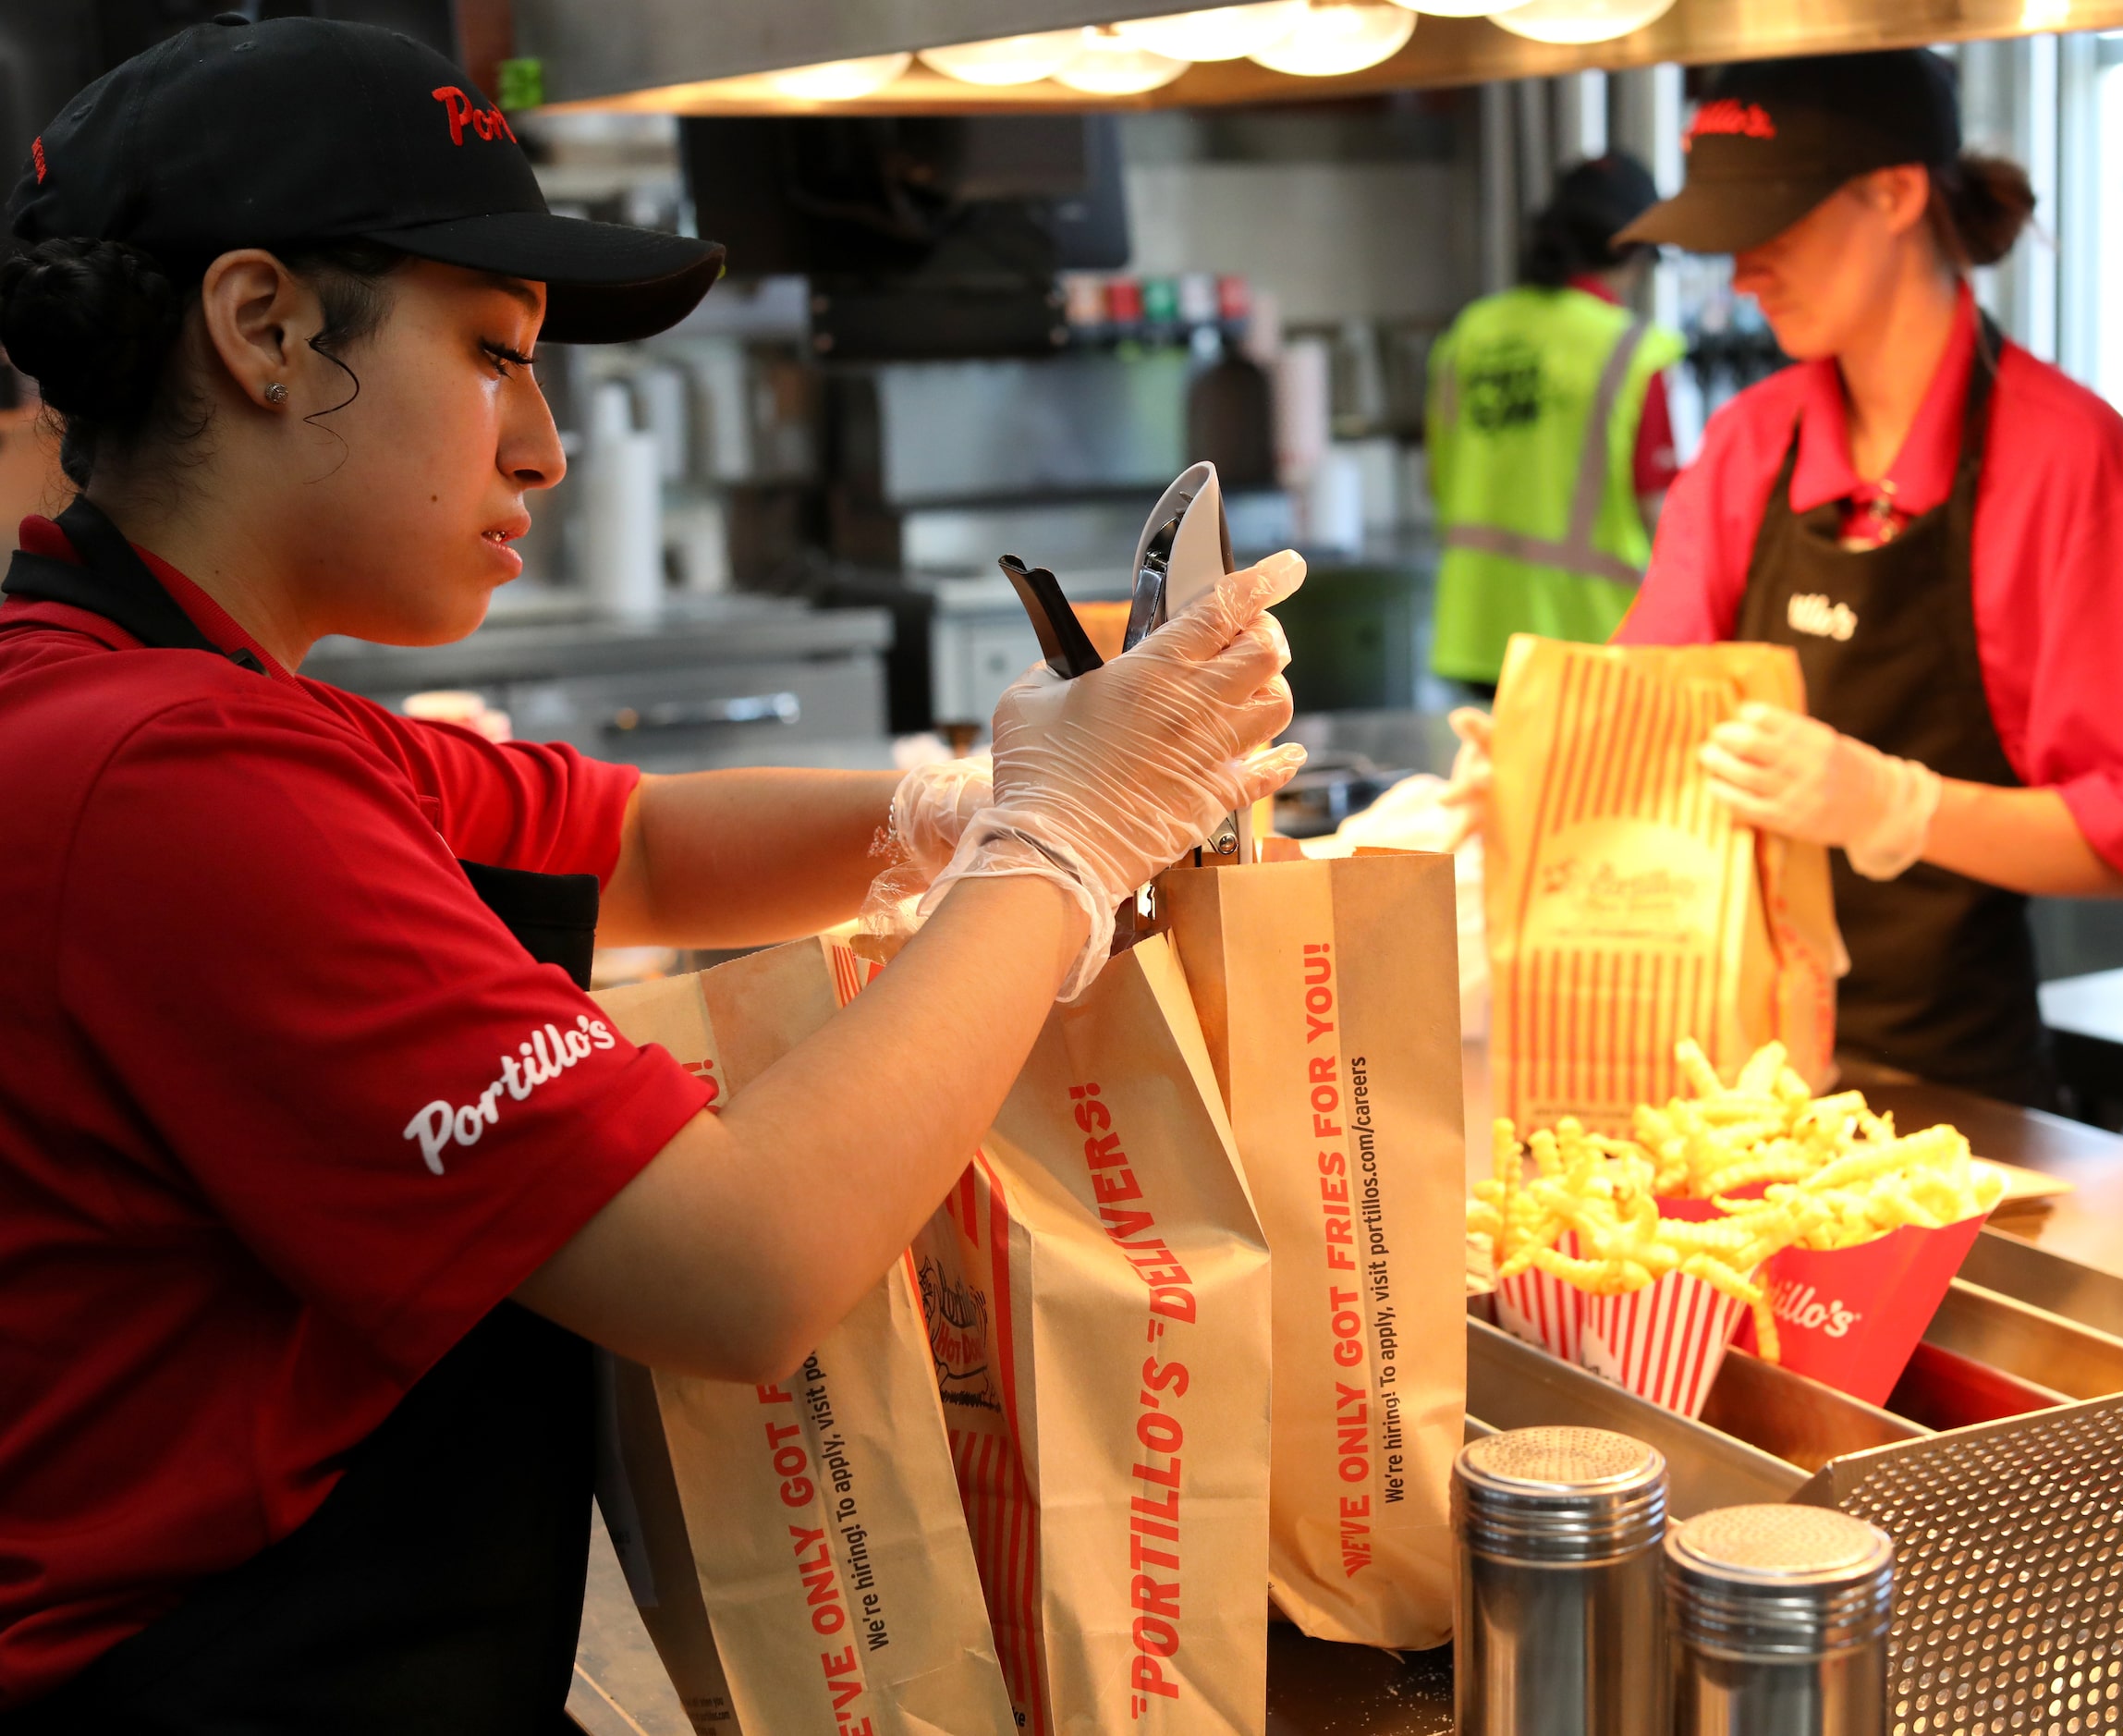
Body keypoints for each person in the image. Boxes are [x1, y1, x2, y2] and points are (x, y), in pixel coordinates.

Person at [0, 19, 1303, 1731]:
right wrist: (1057, 846)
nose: (544, 445)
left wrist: (959, 806)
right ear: (262, 330)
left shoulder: (161, 691)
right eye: (492, 352)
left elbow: (637, 843)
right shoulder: (179, 779)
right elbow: (737, 1260)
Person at [1452, 51, 2123, 1106]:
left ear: (1893, 192)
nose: (1742, 274)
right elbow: (1643, 706)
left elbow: (2120, 837)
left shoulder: (2066, 460)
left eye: (1771, 228)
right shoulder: (1752, 444)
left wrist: (1896, 805)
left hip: (1953, 1094)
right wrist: (1534, 768)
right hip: (1727, 1079)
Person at [1426, 153, 1687, 696]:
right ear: (1632, 253)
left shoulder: (1472, 332)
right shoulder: (1633, 350)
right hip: (1591, 635)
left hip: (1478, 629)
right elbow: (1658, 512)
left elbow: (1438, 478)